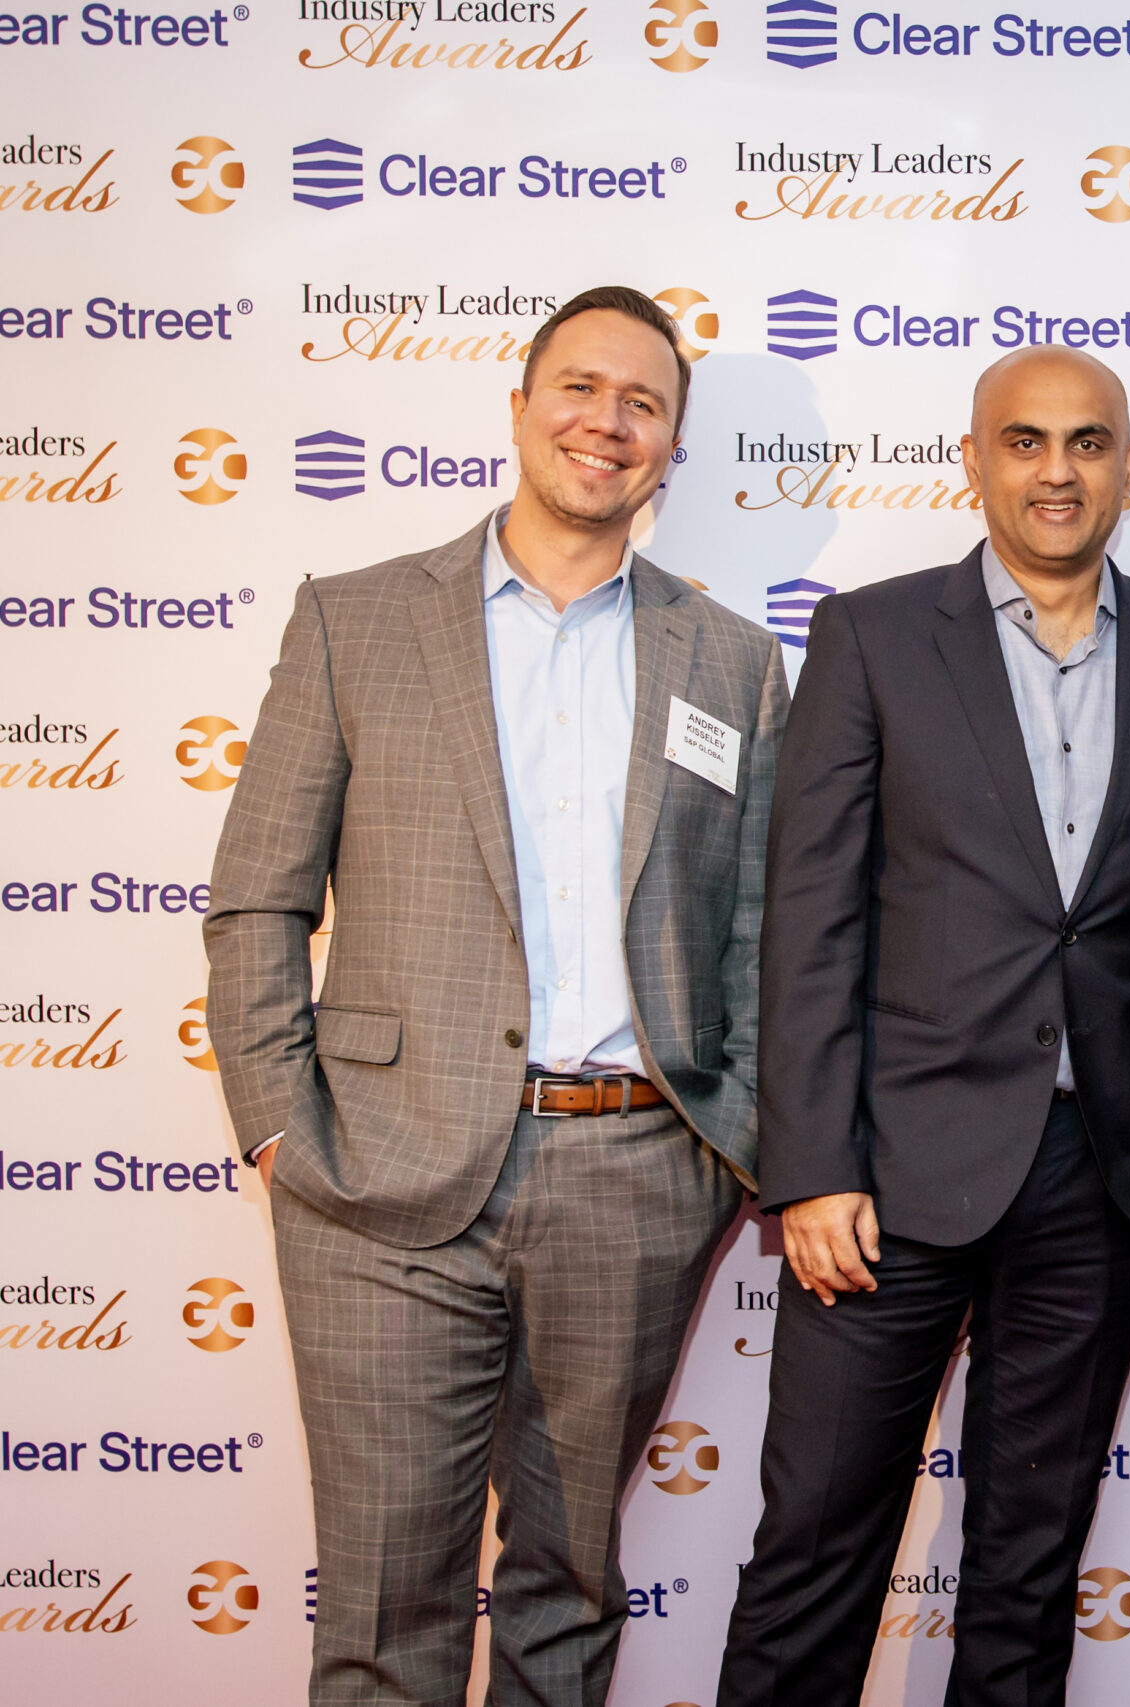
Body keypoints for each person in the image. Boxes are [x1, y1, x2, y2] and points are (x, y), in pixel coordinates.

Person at [205, 285, 788, 1705]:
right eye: (580, 388)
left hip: (636, 1183)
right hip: (375, 1182)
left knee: (567, 1600)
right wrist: (281, 1127)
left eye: (644, 404)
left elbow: (758, 930)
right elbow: (258, 898)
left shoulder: (731, 658)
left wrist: (725, 1147)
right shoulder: (356, 621)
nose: (608, 422)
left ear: (672, 448)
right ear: (521, 408)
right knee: (383, 1611)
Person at [720, 346, 1130, 1707]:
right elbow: (810, 918)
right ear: (973, 460)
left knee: (1028, 1570)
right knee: (814, 1555)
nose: (1057, 472)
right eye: (1024, 441)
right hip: (886, 1175)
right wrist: (812, 1166)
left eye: (1087, 443)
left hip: (1100, 1178)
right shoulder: (873, 636)